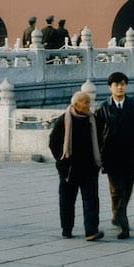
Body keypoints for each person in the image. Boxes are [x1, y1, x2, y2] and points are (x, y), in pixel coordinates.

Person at [96, 72, 134, 239]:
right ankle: (123, 224)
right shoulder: (103, 108)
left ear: (126, 86)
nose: (120, 87)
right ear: (110, 87)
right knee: (117, 191)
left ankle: (117, 215)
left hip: (130, 154)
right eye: (116, 84)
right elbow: (98, 135)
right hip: (111, 156)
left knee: (127, 189)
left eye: (122, 84)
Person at [49, 90, 104, 241]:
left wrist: (98, 161)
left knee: (91, 200)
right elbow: (53, 143)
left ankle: (91, 231)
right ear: (75, 104)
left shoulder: (93, 120)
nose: (89, 105)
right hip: (69, 169)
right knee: (67, 201)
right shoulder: (63, 120)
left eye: (89, 101)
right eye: (85, 102)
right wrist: (61, 160)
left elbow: (100, 140)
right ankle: (67, 229)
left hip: (89, 167)